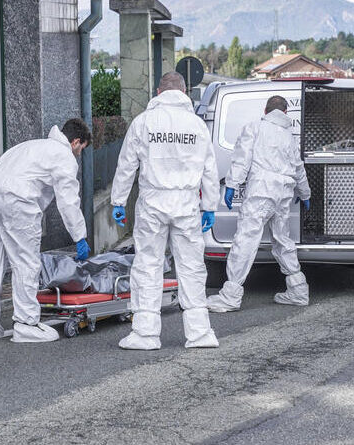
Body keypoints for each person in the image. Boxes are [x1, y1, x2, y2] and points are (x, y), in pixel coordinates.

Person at [111, 72, 220, 350]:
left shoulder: (143, 122)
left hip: (153, 203)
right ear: (184, 91)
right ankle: (200, 333)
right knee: (192, 267)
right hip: (186, 204)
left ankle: (145, 334)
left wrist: (118, 201)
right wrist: (209, 205)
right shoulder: (197, 126)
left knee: (148, 264)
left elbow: (126, 165)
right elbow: (209, 168)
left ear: (159, 91)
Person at [0, 119, 92, 343]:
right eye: (81, 149)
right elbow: (68, 202)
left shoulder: (31, 146)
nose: (78, 154)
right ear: (75, 141)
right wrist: (80, 237)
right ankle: (26, 324)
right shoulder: (63, 155)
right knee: (26, 263)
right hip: (18, 199)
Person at [206, 95, 311, 313]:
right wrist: (305, 193)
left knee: (245, 240)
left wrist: (232, 184)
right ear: (285, 113)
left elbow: (242, 158)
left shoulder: (255, 127)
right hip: (283, 194)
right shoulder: (288, 136)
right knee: (283, 240)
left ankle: (231, 296)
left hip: (261, 192)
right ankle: (298, 290)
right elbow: (298, 167)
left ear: (265, 111)